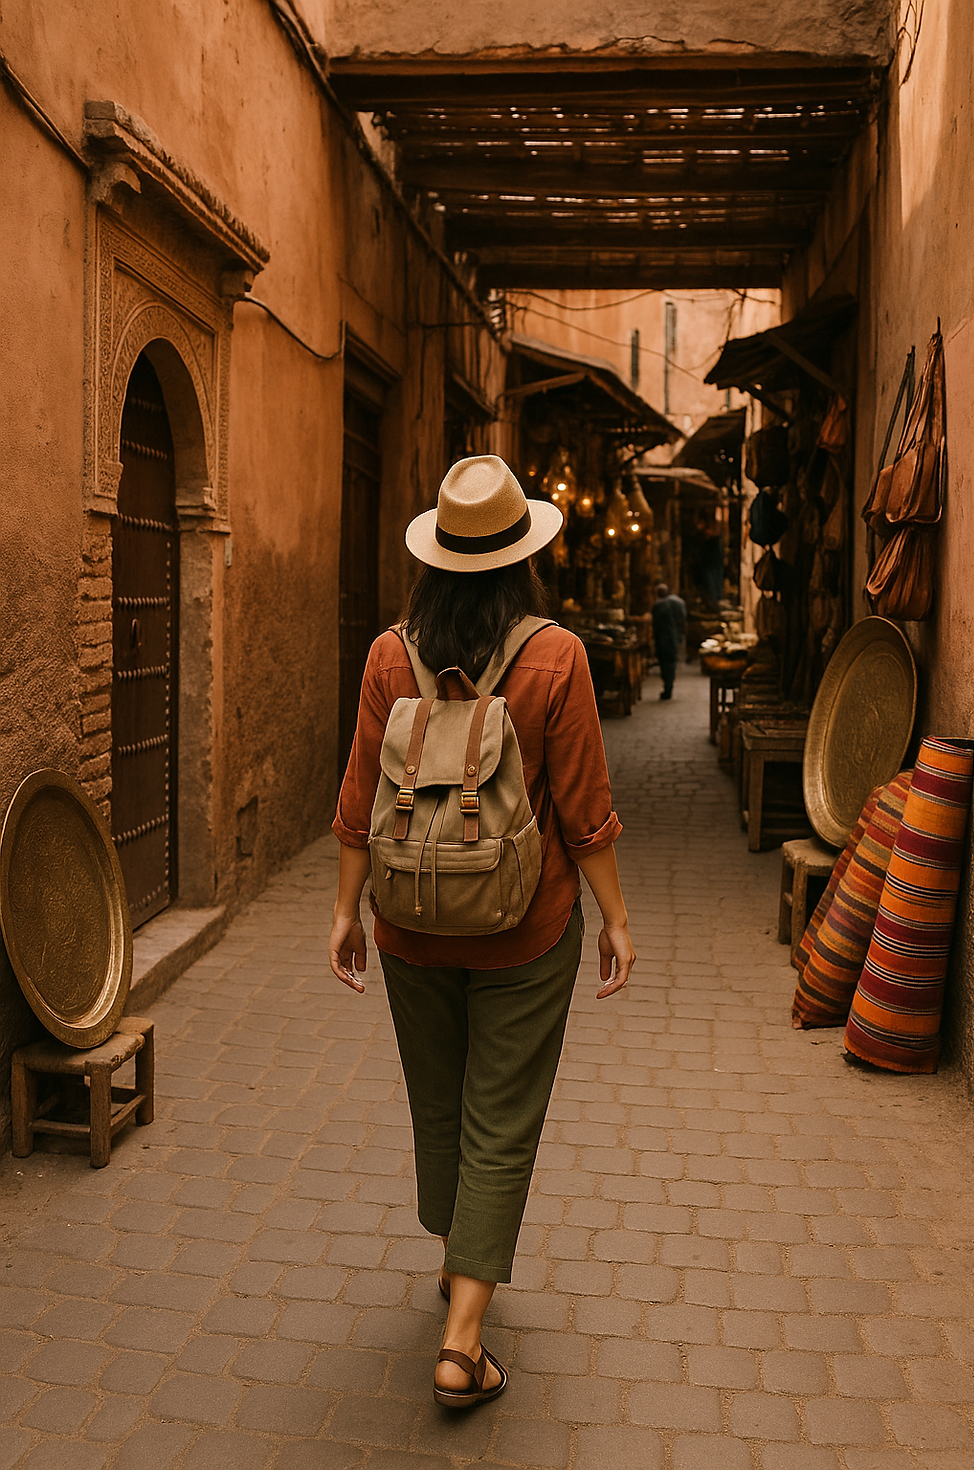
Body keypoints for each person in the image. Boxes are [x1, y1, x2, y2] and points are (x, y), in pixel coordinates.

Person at [330, 455, 635, 1409]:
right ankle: (462, 1344)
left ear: (435, 558)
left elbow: (358, 798)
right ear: (522, 558)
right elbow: (583, 808)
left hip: (409, 924)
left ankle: (458, 1257)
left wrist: (344, 912)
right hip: (525, 929)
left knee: (439, 1102)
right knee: (500, 1117)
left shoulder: (389, 655)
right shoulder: (558, 656)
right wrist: (616, 918)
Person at [652, 582, 687, 700]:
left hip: (663, 639)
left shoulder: (658, 606)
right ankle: (668, 686)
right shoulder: (679, 602)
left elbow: (656, 625)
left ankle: (667, 687)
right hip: (673, 638)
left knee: (665, 664)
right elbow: (682, 620)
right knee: (670, 663)